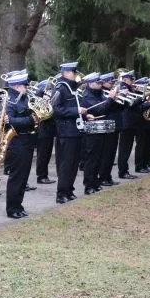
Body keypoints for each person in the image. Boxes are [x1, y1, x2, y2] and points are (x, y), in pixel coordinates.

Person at [51, 62, 86, 204]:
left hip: (76, 130)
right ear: (65, 72)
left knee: (73, 163)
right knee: (66, 164)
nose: (75, 74)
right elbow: (54, 109)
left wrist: (84, 114)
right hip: (65, 131)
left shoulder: (73, 88)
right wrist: (75, 111)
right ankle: (61, 193)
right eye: (73, 72)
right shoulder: (60, 88)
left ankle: (69, 189)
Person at [4, 70, 37, 217]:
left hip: (27, 140)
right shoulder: (10, 101)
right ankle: (12, 208)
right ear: (17, 86)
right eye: (25, 85)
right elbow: (9, 121)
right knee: (17, 178)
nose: (27, 87)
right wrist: (31, 120)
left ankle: (18, 205)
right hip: (17, 142)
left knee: (23, 177)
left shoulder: (23, 98)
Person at [79, 73, 117, 194]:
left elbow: (109, 108)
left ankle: (95, 182)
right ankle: (88, 185)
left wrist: (113, 99)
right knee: (91, 158)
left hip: (102, 128)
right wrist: (111, 98)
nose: (101, 85)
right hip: (92, 129)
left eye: (101, 83)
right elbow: (99, 109)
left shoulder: (99, 93)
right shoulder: (87, 96)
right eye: (98, 83)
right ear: (90, 84)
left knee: (99, 157)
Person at [116, 71, 147, 179]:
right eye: (131, 80)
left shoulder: (129, 89)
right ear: (125, 80)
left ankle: (125, 171)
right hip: (126, 123)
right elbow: (131, 104)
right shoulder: (123, 89)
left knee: (127, 149)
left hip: (132, 122)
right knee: (124, 149)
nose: (133, 82)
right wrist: (143, 97)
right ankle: (123, 171)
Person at [97, 72, 122, 186]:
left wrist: (120, 96)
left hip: (114, 125)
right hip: (107, 126)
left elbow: (121, 107)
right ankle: (103, 177)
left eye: (113, 82)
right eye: (110, 82)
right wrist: (112, 98)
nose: (112, 84)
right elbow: (104, 108)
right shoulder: (102, 94)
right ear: (104, 83)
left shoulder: (110, 93)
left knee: (111, 154)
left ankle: (108, 176)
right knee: (106, 154)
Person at [34, 79, 57, 185]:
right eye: (47, 90)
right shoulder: (38, 101)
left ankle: (44, 174)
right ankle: (41, 176)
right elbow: (43, 115)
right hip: (43, 130)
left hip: (48, 130)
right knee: (43, 154)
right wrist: (46, 102)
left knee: (46, 154)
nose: (49, 92)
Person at [133, 77, 150, 173]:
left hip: (147, 122)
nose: (146, 88)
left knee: (147, 144)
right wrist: (148, 105)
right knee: (141, 145)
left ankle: (145, 164)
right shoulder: (136, 95)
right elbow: (137, 108)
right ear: (138, 87)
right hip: (139, 122)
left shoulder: (147, 95)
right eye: (144, 86)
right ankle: (139, 166)